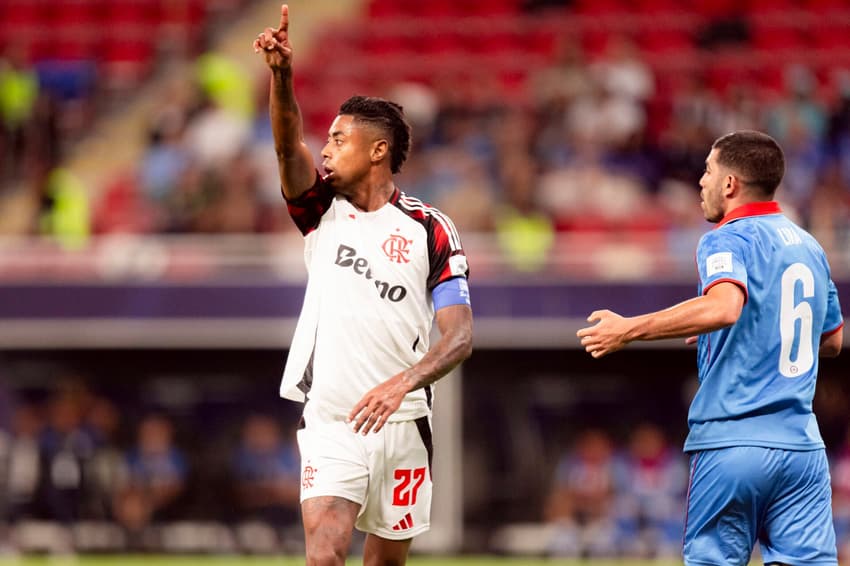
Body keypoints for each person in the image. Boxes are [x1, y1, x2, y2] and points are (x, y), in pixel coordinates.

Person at [253, 6, 473, 566]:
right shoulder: (320, 209)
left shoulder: (430, 229)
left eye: (338, 138)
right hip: (331, 419)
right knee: (325, 553)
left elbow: (458, 337)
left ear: (378, 150)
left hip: (404, 422)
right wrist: (281, 76)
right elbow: (286, 147)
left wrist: (403, 383)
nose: (325, 148)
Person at [577, 130, 844, 565]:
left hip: (733, 441)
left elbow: (723, 307)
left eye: (707, 170)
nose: (701, 181)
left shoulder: (727, 237)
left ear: (730, 184)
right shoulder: (809, 246)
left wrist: (628, 329)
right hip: (802, 448)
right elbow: (832, 339)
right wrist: (751, 333)